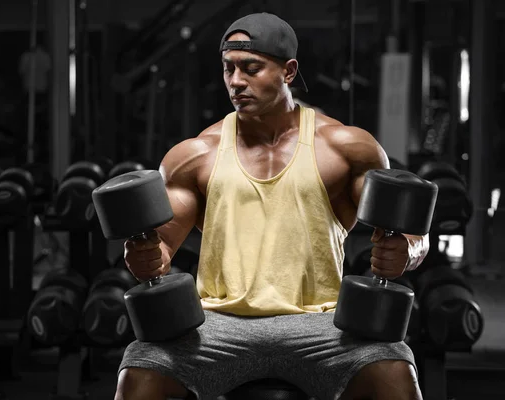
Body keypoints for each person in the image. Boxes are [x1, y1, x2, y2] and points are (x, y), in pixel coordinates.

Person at [115, 12, 429, 400]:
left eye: (251, 68)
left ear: (289, 71)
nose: (235, 82)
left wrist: (408, 249)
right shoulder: (196, 154)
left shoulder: (344, 148)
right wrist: (146, 255)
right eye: (228, 69)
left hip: (322, 325)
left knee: (395, 372)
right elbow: (161, 247)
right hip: (217, 325)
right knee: (141, 369)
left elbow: (410, 230)